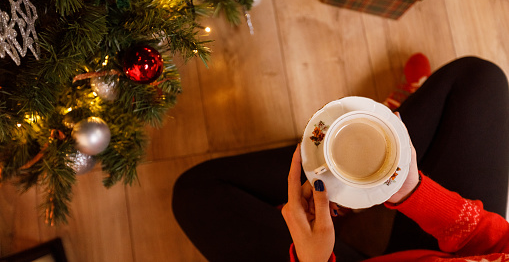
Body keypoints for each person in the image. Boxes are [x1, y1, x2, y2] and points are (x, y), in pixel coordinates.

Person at [172, 56, 509, 262]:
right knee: (479, 78)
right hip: (442, 254)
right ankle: (362, 160)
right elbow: (494, 243)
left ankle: (348, 161)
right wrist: (413, 192)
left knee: (196, 193)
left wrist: (312, 258)